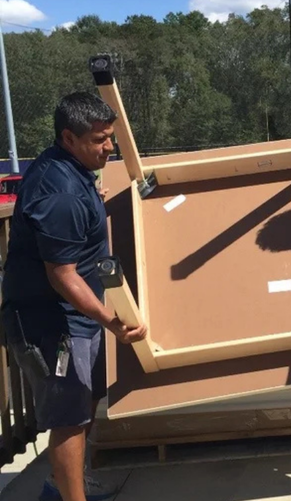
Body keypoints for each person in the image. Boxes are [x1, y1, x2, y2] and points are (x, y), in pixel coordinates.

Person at [1, 92, 148, 501]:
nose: (110, 147)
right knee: (69, 417)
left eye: (110, 137)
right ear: (69, 137)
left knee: (84, 405)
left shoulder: (69, 169)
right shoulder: (59, 191)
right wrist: (111, 321)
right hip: (51, 324)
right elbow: (62, 276)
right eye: (100, 140)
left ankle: (65, 487)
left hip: (76, 318)